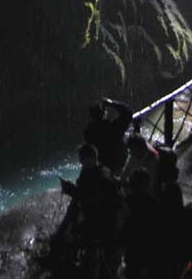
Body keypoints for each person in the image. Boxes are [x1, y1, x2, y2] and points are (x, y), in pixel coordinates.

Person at [54, 143, 123, 272]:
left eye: (82, 160)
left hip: (102, 223)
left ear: (91, 158)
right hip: (95, 218)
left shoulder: (103, 178)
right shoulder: (92, 170)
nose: (80, 162)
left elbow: (93, 201)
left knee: (89, 249)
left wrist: (72, 190)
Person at [121, 168, 158, 279]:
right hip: (148, 249)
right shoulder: (153, 202)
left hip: (132, 248)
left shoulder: (128, 201)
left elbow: (124, 224)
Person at [84, 97, 134, 175]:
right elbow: (128, 112)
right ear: (104, 113)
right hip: (117, 167)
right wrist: (111, 103)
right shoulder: (113, 128)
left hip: (101, 169)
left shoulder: (88, 132)